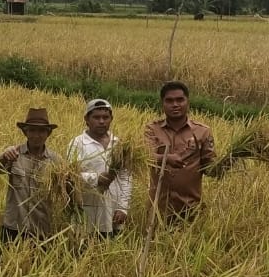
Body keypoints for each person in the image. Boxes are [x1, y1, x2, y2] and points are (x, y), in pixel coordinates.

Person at [143, 81, 225, 220]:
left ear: (188, 102)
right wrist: (166, 159)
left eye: (180, 100)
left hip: (190, 208)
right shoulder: (152, 130)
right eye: (169, 101)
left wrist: (225, 164)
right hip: (158, 208)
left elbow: (209, 168)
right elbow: (145, 156)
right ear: (162, 103)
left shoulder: (202, 131)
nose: (175, 104)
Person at [0, 108, 65, 241]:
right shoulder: (14, 154)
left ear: (48, 133)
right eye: (32, 130)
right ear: (25, 132)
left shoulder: (56, 160)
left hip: (41, 229)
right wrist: (4, 156)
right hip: (14, 227)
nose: (36, 135)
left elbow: (65, 189)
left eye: (41, 131)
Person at [66, 98, 132, 236]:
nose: (101, 121)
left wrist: (123, 207)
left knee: (111, 245)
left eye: (105, 117)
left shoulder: (118, 144)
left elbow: (125, 177)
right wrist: (96, 179)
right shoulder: (77, 144)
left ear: (111, 119)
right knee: (85, 245)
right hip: (86, 211)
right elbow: (70, 176)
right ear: (87, 119)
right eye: (96, 117)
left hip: (113, 211)